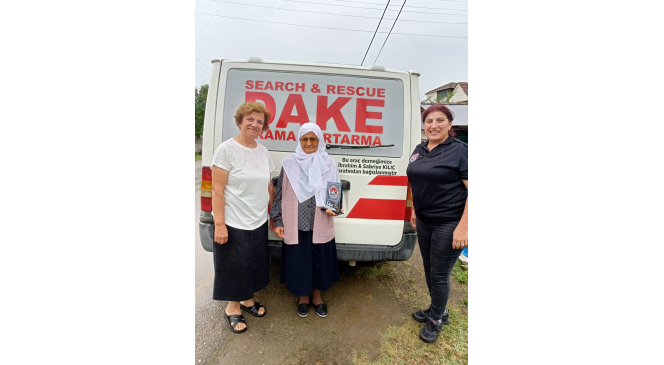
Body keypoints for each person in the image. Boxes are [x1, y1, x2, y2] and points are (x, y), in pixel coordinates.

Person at [210, 102, 275, 334]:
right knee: (234, 267)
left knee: (254, 264)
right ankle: (232, 307)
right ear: (239, 121)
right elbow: (217, 190)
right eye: (250, 119)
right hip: (233, 222)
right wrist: (219, 224)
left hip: (257, 220)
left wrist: (273, 215)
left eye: (259, 122)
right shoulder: (226, 150)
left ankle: (247, 300)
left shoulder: (263, 152)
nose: (255, 125)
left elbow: (268, 185)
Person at [406, 105, 468, 344]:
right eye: (429, 120)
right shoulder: (419, 149)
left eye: (440, 120)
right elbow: (414, 180)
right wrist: (413, 209)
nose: (433, 125)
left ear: (450, 124)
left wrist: (463, 228)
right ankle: (438, 310)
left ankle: (435, 320)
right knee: (430, 268)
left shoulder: (460, 151)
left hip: (449, 222)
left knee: (440, 275)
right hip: (424, 220)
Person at [270, 123, 341, 318]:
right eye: (305, 139)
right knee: (299, 260)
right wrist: (278, 220)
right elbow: (280, 192)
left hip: (320, 219)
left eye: (313, 139)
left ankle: (317, 297)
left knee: (320, 259)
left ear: (319, 141)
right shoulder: (289, 163)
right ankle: (303, 297)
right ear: (299, 141)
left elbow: (334, 187)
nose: (309, 143)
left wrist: (334, 207)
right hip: (296, 220)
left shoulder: (329, 162)